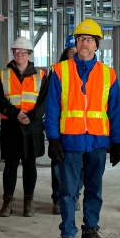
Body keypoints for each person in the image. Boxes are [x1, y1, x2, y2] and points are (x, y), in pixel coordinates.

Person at [45, 19, 120, 238]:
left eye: (89, 39)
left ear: (97, 45)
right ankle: (67, 235)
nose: (84, 43)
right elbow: (52, 107)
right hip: (70, 140)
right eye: (80, 39)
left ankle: (90, 233)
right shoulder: (60, 70)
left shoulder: (108, 74)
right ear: (75, 43)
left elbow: (114, 110)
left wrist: (117, 141)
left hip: (98, 141)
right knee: (68, 191)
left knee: (94, 190)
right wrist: (53, 138)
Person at [0, 37, 48, 217]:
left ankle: (28, 202)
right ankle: (7, 201)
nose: (19, 55)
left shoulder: (40, 75)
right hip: (11, 125)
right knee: (11, 164)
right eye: (16, 51)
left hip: (32, 126)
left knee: (30, 164)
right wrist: (15, 114)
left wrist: (30, 117)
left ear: (29, 54)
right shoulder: (3, 74)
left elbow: (43, 101)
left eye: (23, 52)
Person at [51, 35, 78, 214]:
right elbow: (52, 104)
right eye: (71, 51)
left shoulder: (87, 73)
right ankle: (58, 198)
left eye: (76, 50)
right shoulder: (58, 72)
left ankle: (74, 196)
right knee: (59, 167)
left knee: (78, 169)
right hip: (61, 130)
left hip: (79, 131)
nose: (74, 54)